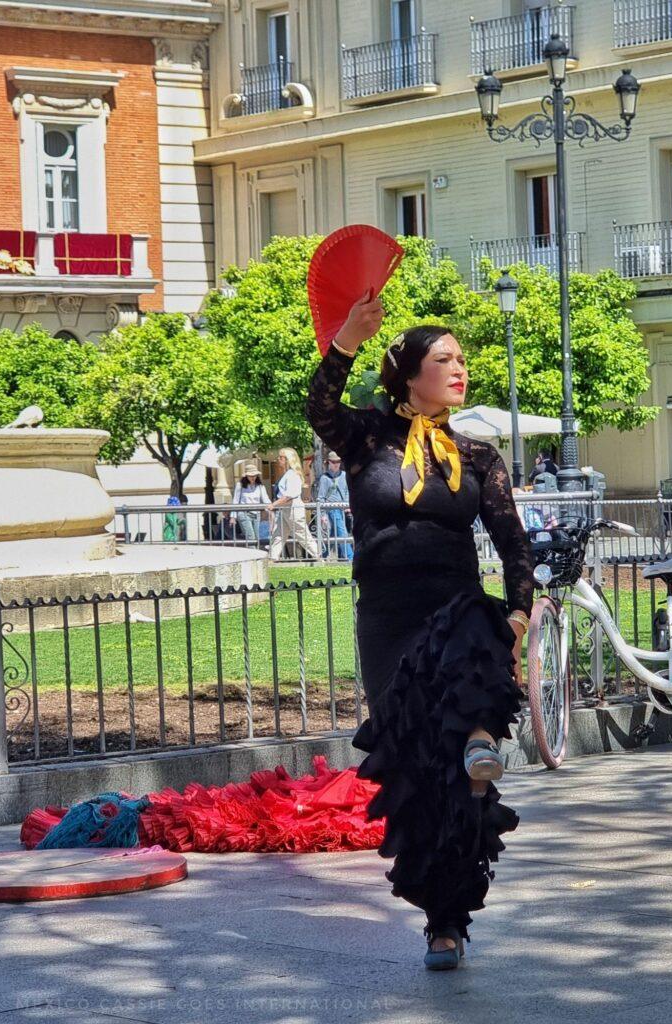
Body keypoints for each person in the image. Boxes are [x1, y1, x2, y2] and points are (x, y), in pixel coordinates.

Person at [306, 292, 534, 971]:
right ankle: (438, 918)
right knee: (415, 771)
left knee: (474, 655)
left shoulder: (478, 454)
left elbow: (513, 545)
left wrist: (518, 611)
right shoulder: (365, 438)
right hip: (386, 617)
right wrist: (345, 339)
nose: (460, 368)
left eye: (463, 359)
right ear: (408, 372)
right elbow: (318, 406)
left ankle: (477, 746)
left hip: (453, 603)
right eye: (444, 359)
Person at [269, 447, 320, 560]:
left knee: (302, 534)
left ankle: (318, 555)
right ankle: (272, 557)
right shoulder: (288, 474)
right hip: (286, 509)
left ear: (288, 460)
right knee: (278, 534)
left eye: (281, 457)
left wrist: (274, 505)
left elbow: (289, 496)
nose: (278, 459)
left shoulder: (292, 475)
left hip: (292, 508)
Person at [317, 452, 353, 560]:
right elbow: (321, 497)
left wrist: (347, 505)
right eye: (333, 462)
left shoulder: (344, 475)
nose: (336, 464)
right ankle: (351, 558)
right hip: (332, 509)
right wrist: (323, 514)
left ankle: (323, 555)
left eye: (338, 461)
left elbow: (347, 491)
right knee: (342, 533)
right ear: (329, 462)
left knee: (335, 534)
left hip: (344, 508)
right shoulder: (324, 478)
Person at [231, 463, 269, 545]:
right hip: (244, 513)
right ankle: (255, 557)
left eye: (255, 475)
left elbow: (266, 499)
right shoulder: (240, 485)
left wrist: (271, 510)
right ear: (246, 476)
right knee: (250, 536)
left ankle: (257, 555)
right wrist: (233, 516)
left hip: (257, 514)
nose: (253, 477)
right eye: (251, 475)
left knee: (257, 537)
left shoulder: (260, 486)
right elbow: (236, 500)